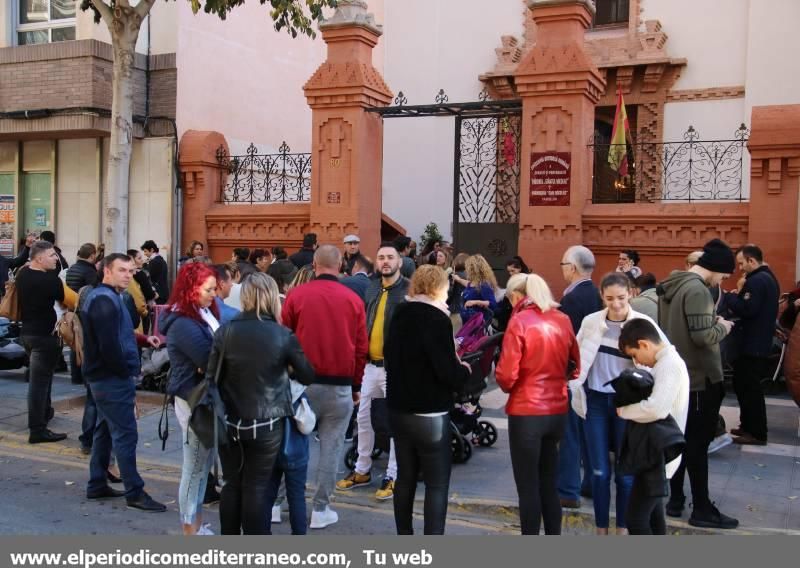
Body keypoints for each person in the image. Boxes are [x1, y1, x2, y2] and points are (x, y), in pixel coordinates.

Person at [206, 273, 314, 534]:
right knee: (257, 486)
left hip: (229, 419)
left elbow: (212, 377)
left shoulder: (225, 331)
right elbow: (308, 374)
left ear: (245, 297)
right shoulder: (282, 334)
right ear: (270, 296)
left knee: (232, 483)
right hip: (267, 421)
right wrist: (283, 369)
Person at [570, 272, 664, 535]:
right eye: (610, 298)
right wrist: (573, 385)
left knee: (625, 474)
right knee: (599, 472)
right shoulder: (591, 322)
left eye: (621, 297)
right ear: (602, 296)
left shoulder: (642, 323)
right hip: (595, 400)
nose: (616, 304)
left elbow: (661, 357)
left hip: (628, 404)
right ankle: (601, 530)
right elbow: (576, 357)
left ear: (631, 294)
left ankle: (622, 529)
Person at [282, 245, 368, 529]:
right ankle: (320, 508)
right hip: (339, 386)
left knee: (290, 444)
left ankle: (274, 503)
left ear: (314, 264)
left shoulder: (296, 295)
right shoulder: (353, 300)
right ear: (341, 264)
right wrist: (356, 384)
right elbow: (360, 348)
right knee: (330, 448)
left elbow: (283, 338)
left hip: (299, 385)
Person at [658, 238, 738, 529]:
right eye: (724, 274)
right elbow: (703, 337)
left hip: (680, 377)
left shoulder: (674, 285)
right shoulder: (698, 291)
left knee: (680, 440)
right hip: (700, 378)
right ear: (714, 268)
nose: (724, 279)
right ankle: (702, 507)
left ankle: (676, 499)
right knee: (697, 446)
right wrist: (723, 326)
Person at [384, 265, 471, 534]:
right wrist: (463, 372)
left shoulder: (399, 313)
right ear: (438, 288)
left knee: (405, 479)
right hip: (430, 414)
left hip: (399, 409)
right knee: (436, 484)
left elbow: (390, 356)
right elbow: (445, 370)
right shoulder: (437, 319)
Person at [496, 273, 580, 535]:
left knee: (528, 487)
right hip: (557, 409)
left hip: (526, 410)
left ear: (516, 295)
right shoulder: (563, 319)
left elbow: (507, 377)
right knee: (548, 483)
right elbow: (575, 367)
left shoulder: (520, 321)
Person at [81, 253, 165, 511]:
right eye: (122, 270)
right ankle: (135, 492)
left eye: (131, 271)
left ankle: (97, 484)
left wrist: (142, 340)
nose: (128, 275)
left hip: (104, 377)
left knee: (105, 431)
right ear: (107, 271)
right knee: (126, 434)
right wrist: (125, 373)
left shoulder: (108, 297)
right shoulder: (105, 300)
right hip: (110, 378)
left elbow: (120, 332)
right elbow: (108, 345)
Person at [337, 244, 408, 500]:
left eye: (390, 257)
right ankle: (362, 470)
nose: (385, 261)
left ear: (399, 261)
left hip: (394, 369)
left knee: (395, 424)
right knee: (363, 420)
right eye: (381, 258)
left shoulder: (407, 290)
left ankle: (393, 475)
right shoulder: (371, 287)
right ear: (376, 263)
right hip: (370, 366)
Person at [160, 263, 220, 535]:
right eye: (208, 289)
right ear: (191, 289)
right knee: (195, 466)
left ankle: (195, 524)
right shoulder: (184, 322)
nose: (214, 294)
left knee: (201, 465)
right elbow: (209, 360)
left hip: (202, 397)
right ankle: (190, 530)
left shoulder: (200, 313)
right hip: (194, 399)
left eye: (215, 288)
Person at [616, 318, 690, 535]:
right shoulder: (664, 362)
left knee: (636, 519)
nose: (636, 361)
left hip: (659, 454)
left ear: (645, 344)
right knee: (654, 517)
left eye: (634, 354)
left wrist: (624, 411)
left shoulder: (669, 365)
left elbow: (656, 409)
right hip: (654, 453)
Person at [557, 245, 602, 509]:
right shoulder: (595, 294)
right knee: (589, 434)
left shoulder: (572, 299)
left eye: (564, 265)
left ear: (572, 268)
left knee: (571, 433)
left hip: (575, 375)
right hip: (593, 374)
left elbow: (567, 341)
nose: (562, 269)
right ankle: (591, 484)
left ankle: (568, 489)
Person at [724, 245, 780, 445]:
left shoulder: (757, 281)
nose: (740, 268)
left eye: (741, 263)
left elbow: (748, 309)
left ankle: (756, 431)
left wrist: (730, 296)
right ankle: (748, 425)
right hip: (756, 342)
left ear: (752, 261)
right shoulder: (767, 278)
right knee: (743, 385)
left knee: (750, 388)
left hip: (752, 344)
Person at [17, 240, 70, 444]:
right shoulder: (51, 281)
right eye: (51, 256)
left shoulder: (22, 274)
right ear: (39, 258)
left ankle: (44, 414)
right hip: (44, 338)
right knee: (39, 384)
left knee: (42, 380)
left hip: (27, 334)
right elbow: (64, 299)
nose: (56, 259)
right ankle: (37, 429)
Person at [453, 254, 497, 325]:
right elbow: (469, 285)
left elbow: (493, 304)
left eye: (467, 267)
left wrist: (475, 302)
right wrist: (458, 279)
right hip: (468, 323)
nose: (466, 270)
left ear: (473, 270)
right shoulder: (474, 283)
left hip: (477, 325)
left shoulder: (484, 285)